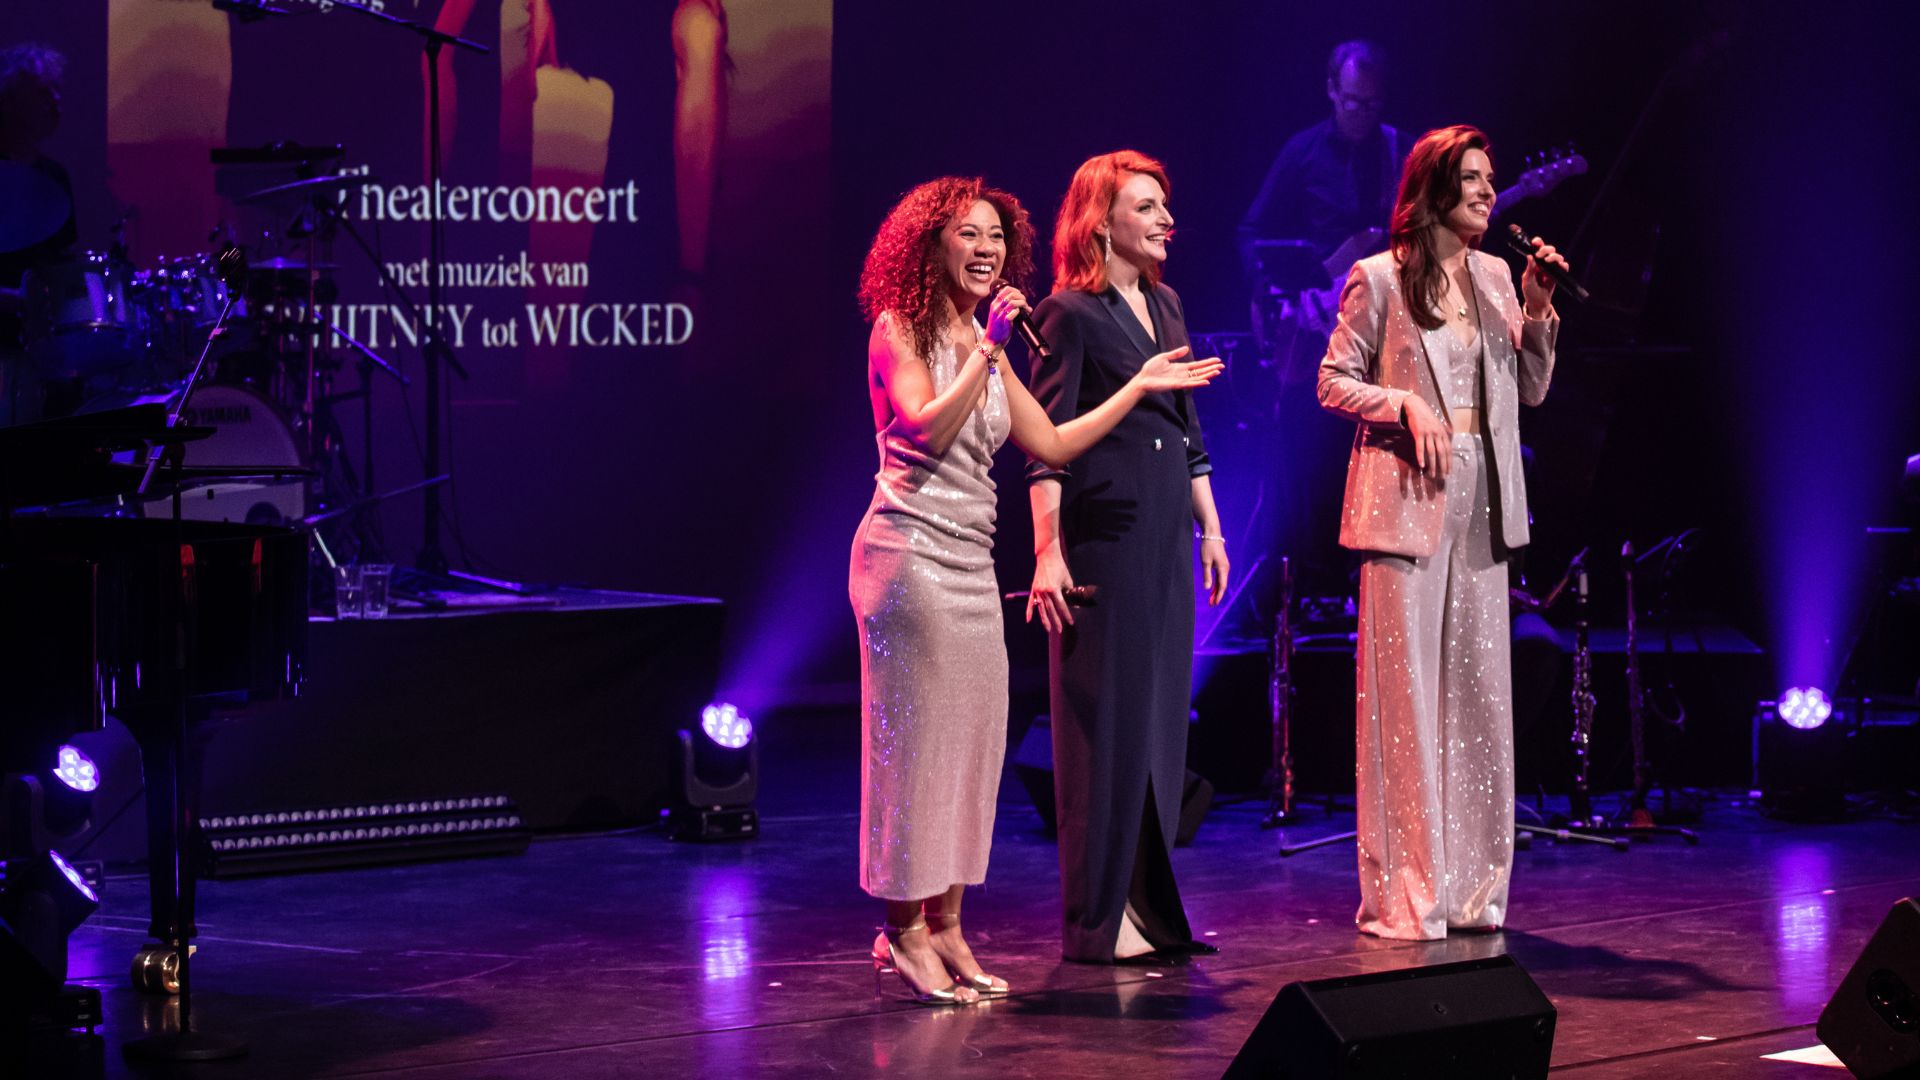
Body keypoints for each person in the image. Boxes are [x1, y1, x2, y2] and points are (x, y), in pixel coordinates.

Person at [851, 176, 1219, 1003]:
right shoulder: (900, 329)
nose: (986, 251)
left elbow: (1051, 440)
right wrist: (988, 350)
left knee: (973, 749)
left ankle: (947, 924)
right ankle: (902, 930)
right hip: (907, 559)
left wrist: (1135, 389)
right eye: (968, 235)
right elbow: (923, 428)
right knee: (917, 752)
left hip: (972, 562)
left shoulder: (982, 340)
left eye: (995, 237)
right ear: (930, 247)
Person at [1316, 124, 1568, 940]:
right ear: (1433, 188)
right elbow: (1332, 381)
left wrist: (1539, 307)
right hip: (1405, 495)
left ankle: (1470, 893)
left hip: (1483, 498)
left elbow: (1530, 391)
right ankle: (1406, 896)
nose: (1489, 191)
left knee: (1479, 698)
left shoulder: (1496, 277)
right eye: (1473, 178)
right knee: (1407, 704)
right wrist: (1402, 404)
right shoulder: (1378, 278)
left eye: (1491, 179)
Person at [1024, 150, 1229, 964]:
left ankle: (1147, 911)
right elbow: (1044, 446)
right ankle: (1098, 921)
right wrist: (1048, 550)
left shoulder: (1167, 303)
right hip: (1104, 539)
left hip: (1166, 535)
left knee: (1158, 725)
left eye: (1163, 205)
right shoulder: (1067, 313)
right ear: (1100, 222)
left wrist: (1211, 527)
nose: (1165, 220)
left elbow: (1188, 431)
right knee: (1104, 730)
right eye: (1145, 207)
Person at [1239, 40, 1406, 271]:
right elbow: (1252, 231)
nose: (1362, 113)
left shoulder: (1403, 151)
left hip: (1384, 286)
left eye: (1371, 104)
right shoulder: (1302, 151)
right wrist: (1264, 284)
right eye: (1351, 101)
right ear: (1332, 90)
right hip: (1320, 291)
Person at [0, 42, 76, 426]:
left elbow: (62, 267)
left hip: (42, 349)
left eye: (57, 91)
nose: (55, 101)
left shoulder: (54, 176)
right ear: (10, 101)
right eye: (43, 93)